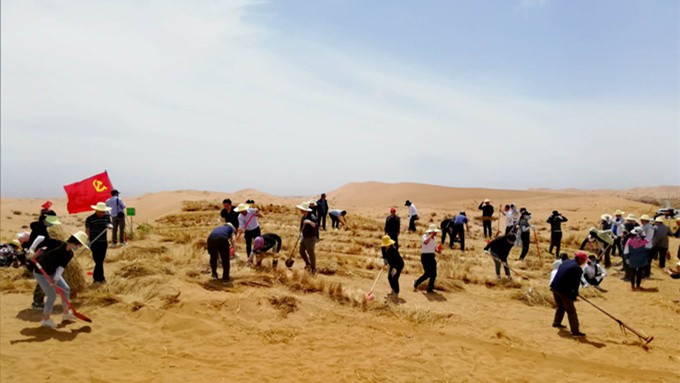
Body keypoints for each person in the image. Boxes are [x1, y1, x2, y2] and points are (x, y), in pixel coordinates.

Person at [26, 231, 89, 328]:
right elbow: (40, 237)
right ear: (76, 242)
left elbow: (61, 267)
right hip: (40, 273)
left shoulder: (70, 254)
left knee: (66, 289)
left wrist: (55, 279)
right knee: (52, 295)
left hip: (53, 273)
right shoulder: (58, 243)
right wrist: (32, 249)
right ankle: (45, 320)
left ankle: (66, 314)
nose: (79, 247)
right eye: (80, 245)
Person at [550, 251, 588, 337]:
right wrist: (574, 296)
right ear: (580, 259)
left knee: (560, 306)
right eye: (584, 260)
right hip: (563, 291)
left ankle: (556, 323)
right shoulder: (577, 269)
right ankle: (575, 332)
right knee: (571, 312)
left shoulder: (566, 262)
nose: (585, 262)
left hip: (555, 287)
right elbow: (575, 284)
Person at [28, 212, 61, 309]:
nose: (52, 225)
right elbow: (38, 243)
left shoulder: (41, 228)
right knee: (42, 279)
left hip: (41, 257)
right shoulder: (39, 230)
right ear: (45, 220)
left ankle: (38, 300)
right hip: (38, 258)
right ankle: (37, 302)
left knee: (43, 279)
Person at [86, 202, 112, 283]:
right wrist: (87, 240)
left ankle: (98, 278)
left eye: (103, 212)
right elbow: (87, 230)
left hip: (103, 242)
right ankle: (100, 278)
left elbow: (110, 225)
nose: (101, 213)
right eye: (100, 212)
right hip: (94, 242)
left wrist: (110, 226)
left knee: (100, 261)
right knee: (98, 260)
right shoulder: (90, 219)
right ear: (96, 210)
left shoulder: (107, 217)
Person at [413, 224, 441, 293]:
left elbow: (433, 248)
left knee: (434, 274)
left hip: (431, 256)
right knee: (428, 273)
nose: (436, 233)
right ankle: (417, 282)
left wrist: (438, 250)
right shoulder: (425, 236)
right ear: (431, 232)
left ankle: (430, 289)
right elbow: (425, 242)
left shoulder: (434, 239)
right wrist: (431, 236)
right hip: (425, 256)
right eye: (435, 232)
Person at [380, 235, 404, 301]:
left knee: (395, 278)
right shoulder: (383, 247)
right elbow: (384, 254)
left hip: (398, 264)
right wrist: (385, 259)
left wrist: (394, 269)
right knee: (389, 277)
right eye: (386, 244)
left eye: (388, 244)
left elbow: (396, 261)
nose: (387, 245)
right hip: (392, 264)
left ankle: (396, 292)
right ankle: (393, 290)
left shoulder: (393, 250)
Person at [296, 202, 318, 273]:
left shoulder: (312, 216)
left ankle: (313, 268)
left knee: (310, 253)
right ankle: (307, 264)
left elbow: (315, 225)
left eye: (302, 209)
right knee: (301, 251)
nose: (300, 210)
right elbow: (301, 227)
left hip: (310, 238)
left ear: (305, 210)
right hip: (304, 237)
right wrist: (301, 234)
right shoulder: (303, 217)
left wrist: (309, 222)